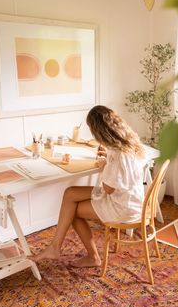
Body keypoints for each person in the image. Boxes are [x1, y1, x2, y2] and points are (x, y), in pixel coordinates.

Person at [31, 105, 146, 267]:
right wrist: (108, 158)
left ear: (98, 131)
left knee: (72, 213)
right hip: (133, 200)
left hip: (121, 206)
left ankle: (92, 257)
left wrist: (106, 166)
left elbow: (108, 189)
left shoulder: (117, 155)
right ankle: (54, 247)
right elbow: (123, 171)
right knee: (70, 193)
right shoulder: (128, 143)